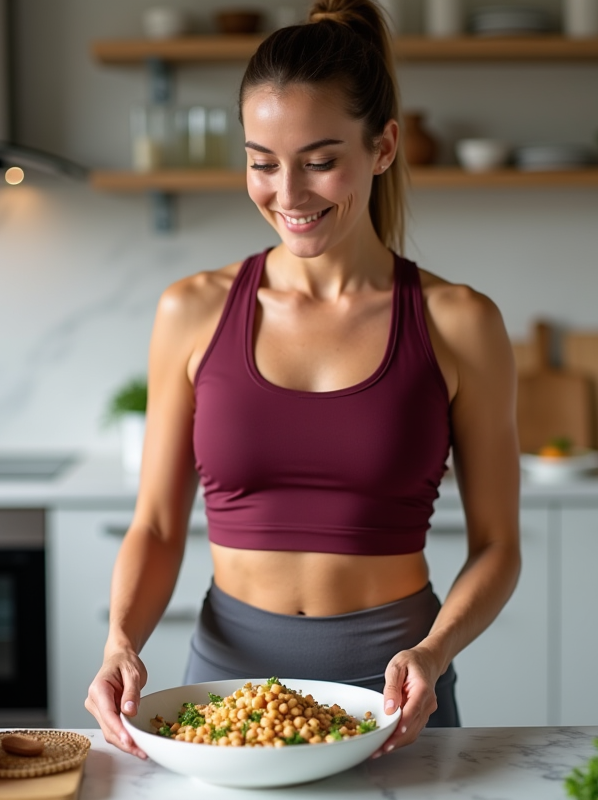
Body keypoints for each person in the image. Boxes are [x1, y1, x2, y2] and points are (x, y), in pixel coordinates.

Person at [86, 0, 521, 759]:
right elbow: (156, 525)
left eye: (320, 160)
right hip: (226, 694)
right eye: (262, 162)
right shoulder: (191, 311)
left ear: (383, 146)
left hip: (393, 695)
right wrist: (121, 641)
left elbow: (497, 546)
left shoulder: (459, 322)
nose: (287, 194)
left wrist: (435, 650)